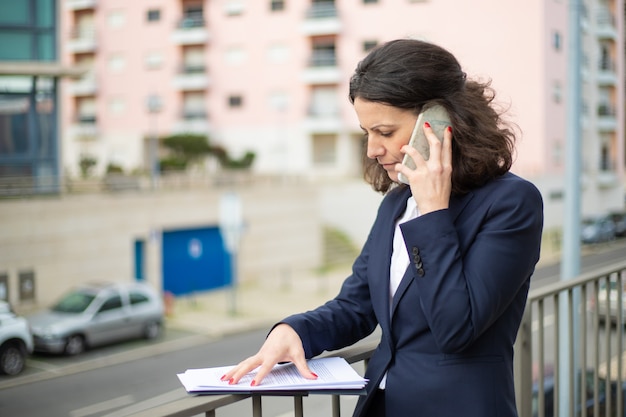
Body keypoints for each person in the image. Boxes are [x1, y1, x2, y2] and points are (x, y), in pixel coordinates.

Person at [221, 38, 544, 417]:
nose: (373, 149)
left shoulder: (511, 203)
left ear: (439, 122)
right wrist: (295, 332)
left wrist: (432, 212)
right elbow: (355, 305)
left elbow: (457, 328)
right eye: (366, 133)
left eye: (386, 132)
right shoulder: (396, 204)